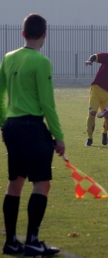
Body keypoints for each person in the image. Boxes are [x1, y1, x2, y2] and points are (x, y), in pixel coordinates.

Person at [0, 14, 65, 256]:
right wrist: (58, 136)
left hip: (12, 126)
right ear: (44, 35)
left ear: (23, 33)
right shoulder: (41, 62)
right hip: (32, 127)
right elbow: (47, 103)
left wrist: (2, 124)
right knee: (42, 183)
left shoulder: (8, 58)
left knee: (15, 182)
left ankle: (10, 242)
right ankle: (32, 241)